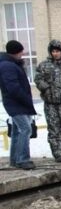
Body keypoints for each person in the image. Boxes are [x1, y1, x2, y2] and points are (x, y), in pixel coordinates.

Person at [0, 40, 37, 170]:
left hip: (16, 103)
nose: (23, 53)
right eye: (21, 51)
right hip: (16, 103)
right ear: (16, 52)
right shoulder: (8, 66)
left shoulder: (10, 64)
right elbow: (13, 87)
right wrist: (25, 99)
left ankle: (15, 159)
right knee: (26, 129)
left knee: (17, 131)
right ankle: (23, 159)